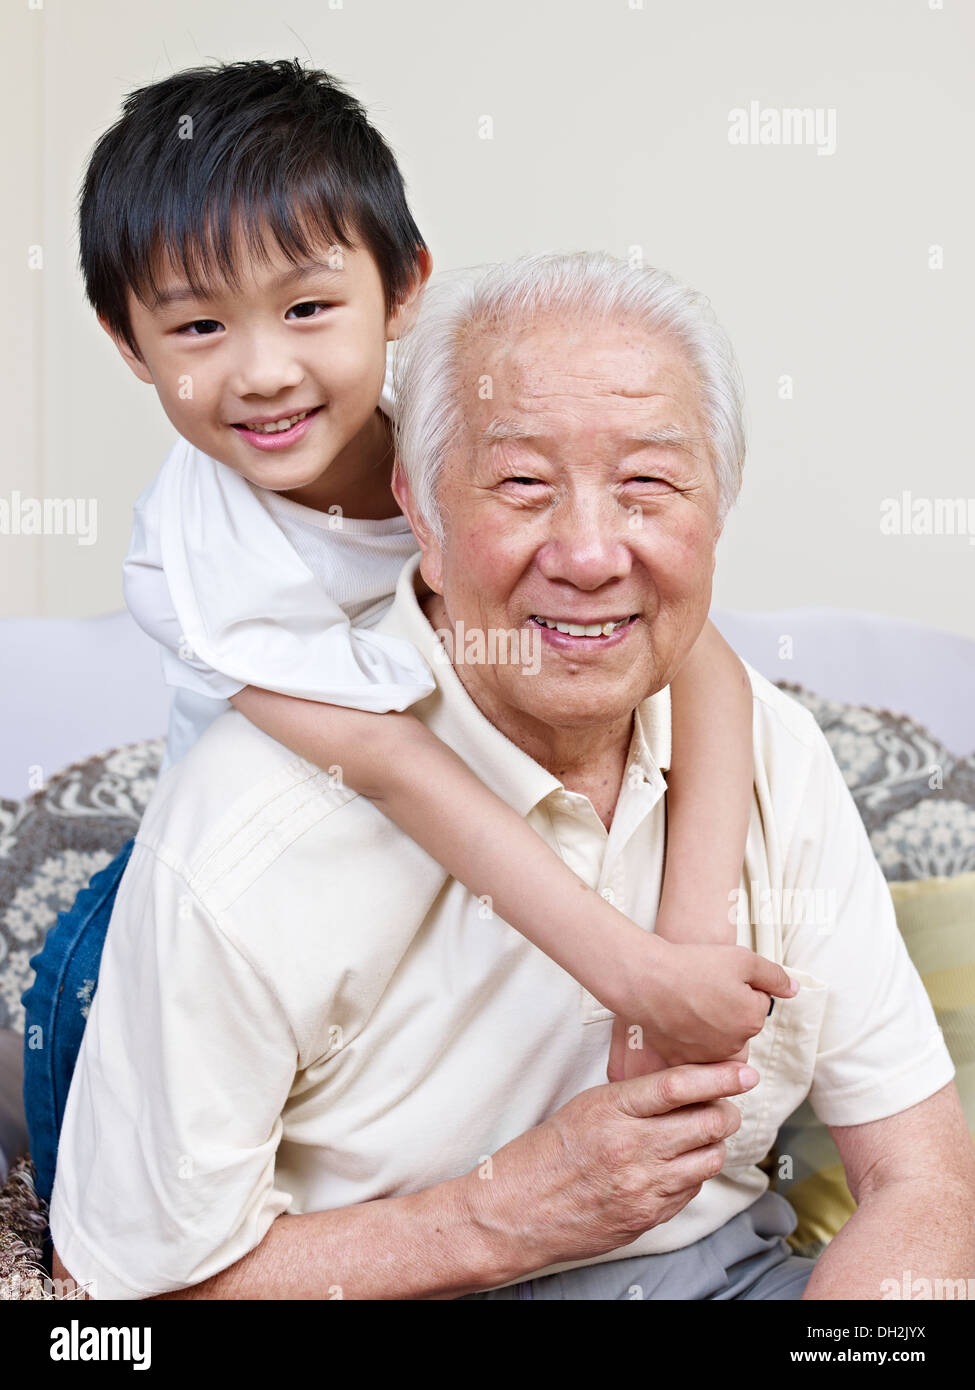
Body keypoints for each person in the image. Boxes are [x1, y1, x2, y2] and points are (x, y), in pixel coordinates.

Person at [49, 250, 971, 1301]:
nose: (587, 552)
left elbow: (920, 1174)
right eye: (523, 484)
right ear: (420, 517)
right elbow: (120, 1298)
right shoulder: (248, 806)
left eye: (648, 485)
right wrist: (501, 1216)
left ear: (721, 504)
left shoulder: (763, 742)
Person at [23, 58, 788, 1209]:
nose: (262, 369)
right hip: (206, 909)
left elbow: (706, 660)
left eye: (307, 307)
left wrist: (687, 933)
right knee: (101, 1143)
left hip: (412, 872)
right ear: (129, 343)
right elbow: (389, 763)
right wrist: (634, 974)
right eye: (195, 326)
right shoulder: (192, 564)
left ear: (405, 286)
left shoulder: (469, 446)